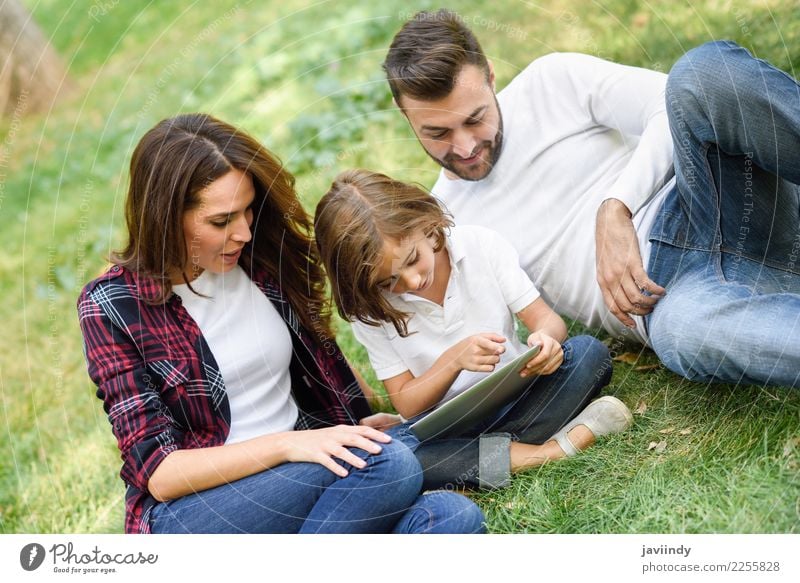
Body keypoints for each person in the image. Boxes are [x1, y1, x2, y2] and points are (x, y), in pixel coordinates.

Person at [76, 113, 485, 534]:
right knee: (390, 463)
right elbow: (160, 475)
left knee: (451, 517)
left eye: (247, 211)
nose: (243, 233)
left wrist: (358, 417)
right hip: (202, 509)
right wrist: (290, 445)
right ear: (164, 217)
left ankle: (545, 449)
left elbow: (318, 358)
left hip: (307, 480)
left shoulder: (263, 261)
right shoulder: (111, 305)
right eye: (221, 221)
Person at [382, 9, 800, 388]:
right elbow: (445, 339)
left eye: (476, 119)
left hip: (715, 199)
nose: (466, 146)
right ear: (407, 117)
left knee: (703, 74)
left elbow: (672, 104)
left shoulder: (551, 81)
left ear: (491, 77)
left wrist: (617, 206)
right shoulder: (446, 223)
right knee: (682, 336)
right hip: (673, 296)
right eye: (437, 134)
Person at [314, 169, 632, 490]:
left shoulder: (479, 245)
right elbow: (408, 405)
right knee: (388, 451)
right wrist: (453, 361)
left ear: (424, 223)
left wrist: (546, 342)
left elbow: (548, 322)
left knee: (589, 353)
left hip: (519, 393)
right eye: (388, 281)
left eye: (413, 259)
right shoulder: (371, 309)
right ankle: (549, 450)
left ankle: (480, 458)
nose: (411, 282)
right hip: (448, 426)